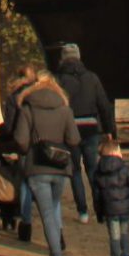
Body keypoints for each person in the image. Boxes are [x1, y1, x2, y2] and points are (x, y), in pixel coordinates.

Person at [14, 68, 82, 256]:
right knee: (53, 209)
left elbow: (21, 141)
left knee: (47, 215)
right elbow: (74, 139)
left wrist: (29, 150)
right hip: (60, 168)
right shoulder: (64, 109)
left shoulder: (27, 108)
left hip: (38, 167)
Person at [54, 43, 116, 222]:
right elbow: (104, 105)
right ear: (79, 57)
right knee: (93, 170)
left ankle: (83, 211)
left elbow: (57, 106)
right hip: (90, 128)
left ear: (63, 59)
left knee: (74, 171)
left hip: (70, 129)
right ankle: (100, 209)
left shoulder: (59, 80)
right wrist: (109, 130)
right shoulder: (92, 78)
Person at [0, 65, 40, 241]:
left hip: (21, 143)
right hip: (40, 142)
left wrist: (4, 132)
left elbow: (9, 125)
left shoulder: (14, 96)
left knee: (24, 182)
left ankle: (26, 222)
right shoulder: (39, 94)